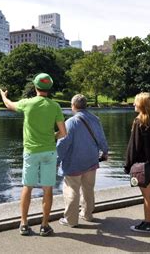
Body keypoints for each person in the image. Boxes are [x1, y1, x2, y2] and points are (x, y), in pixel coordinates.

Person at [0, 73, 66, 237]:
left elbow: (9, 105)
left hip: (31, 152)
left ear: (35, 87)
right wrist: (52, 137)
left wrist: (3, 95)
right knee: (47, 188)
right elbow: (63, 133)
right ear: (49, 89)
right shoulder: (55, 106)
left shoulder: (27, 104)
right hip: (49, 152)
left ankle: (24, 224)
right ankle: (44, 226)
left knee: (27, 187)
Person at [56, 94, 109, 227]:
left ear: (73, 106)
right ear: (86, 106)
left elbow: (63, 144)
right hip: (91, 159)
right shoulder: (95, 119)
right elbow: (101, 137)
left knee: (71, 189)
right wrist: (105, 151)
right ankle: (87, 214)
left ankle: (71, 220)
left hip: (74, 162)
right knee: (88, 188)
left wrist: (56, 160)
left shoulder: (70, 122)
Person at [124, 92, 150, 233]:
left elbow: (134, 147)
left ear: (141, 105)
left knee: (147, 196)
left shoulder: (139, 122)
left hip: (143, 165)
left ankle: (147, 224)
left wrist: (128, 165)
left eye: (136, 102)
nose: (134, 104)